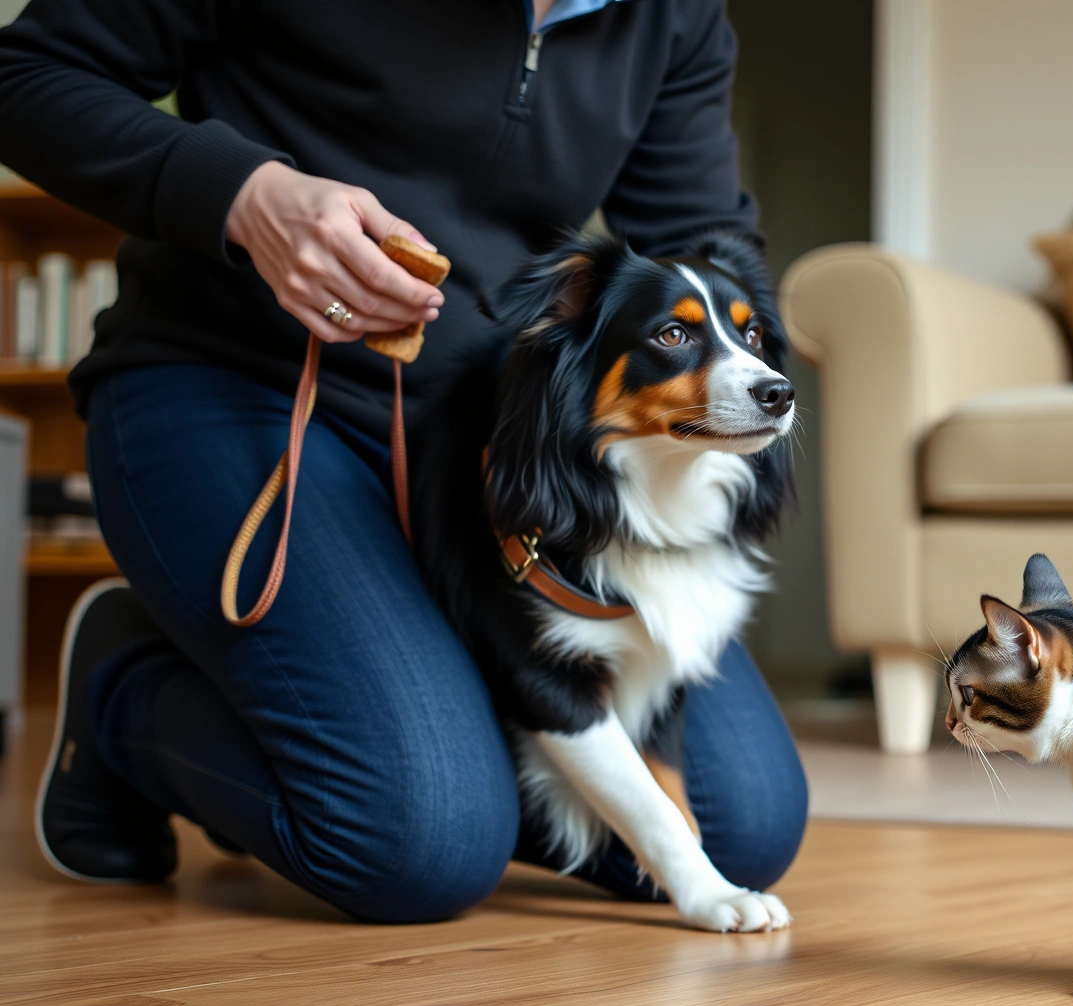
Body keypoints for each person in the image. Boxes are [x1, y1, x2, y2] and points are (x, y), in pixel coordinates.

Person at [0, 0, 808, 923]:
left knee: (740, 833)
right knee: (416, 842)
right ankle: (122, 700)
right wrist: (249, 196)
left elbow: (704, 241)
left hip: (487, 443)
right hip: (239, 382)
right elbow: (23, 78)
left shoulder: (675, 17)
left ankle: (356, 718)